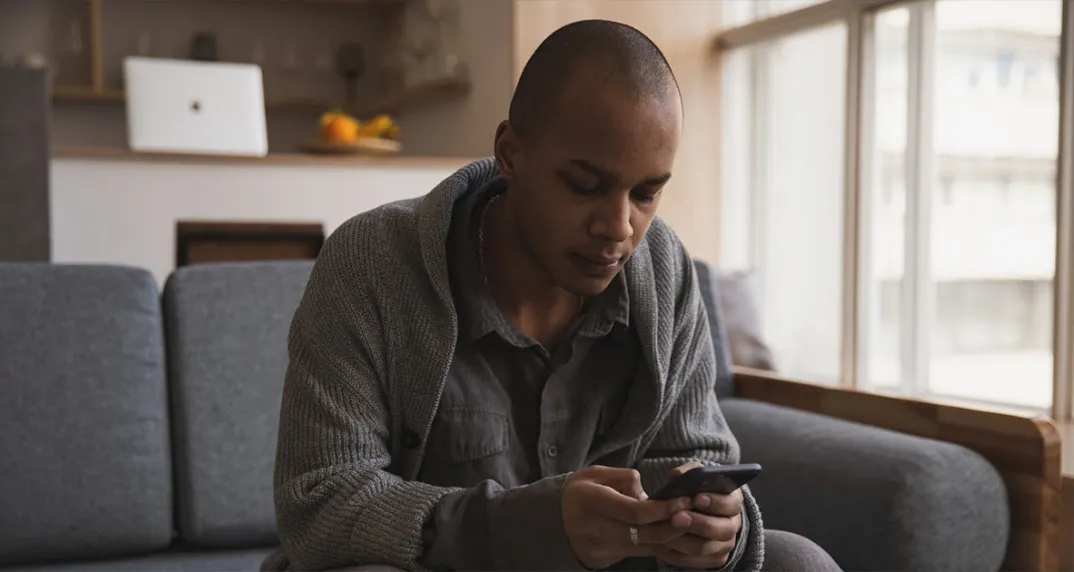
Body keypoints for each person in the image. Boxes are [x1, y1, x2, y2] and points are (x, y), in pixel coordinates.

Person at [262, 19, 841, 572]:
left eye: (645, 194)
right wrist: (529, 524)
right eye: (585, 186)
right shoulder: (371, 263)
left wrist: (718, 531)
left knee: (798, 561)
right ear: (510, 154)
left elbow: (695, 461)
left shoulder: (663, 268)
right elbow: (322, 503)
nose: (618, 228)